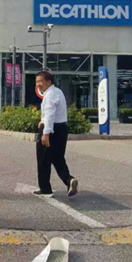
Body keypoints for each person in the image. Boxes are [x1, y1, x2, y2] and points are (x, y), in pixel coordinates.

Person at [34, 70, 78, 198]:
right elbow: (54, 113)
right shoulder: (58, 92)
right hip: (62, 128)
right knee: (58, 158)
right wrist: (43, 121)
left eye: (41, 81)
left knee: (43, 160)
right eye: (37, 82)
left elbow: (50, 114)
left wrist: (45, 133)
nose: (38, 84)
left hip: (51, 130)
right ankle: (69, 180)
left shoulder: (49, 95)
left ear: (48, 81)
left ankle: (45, 189)